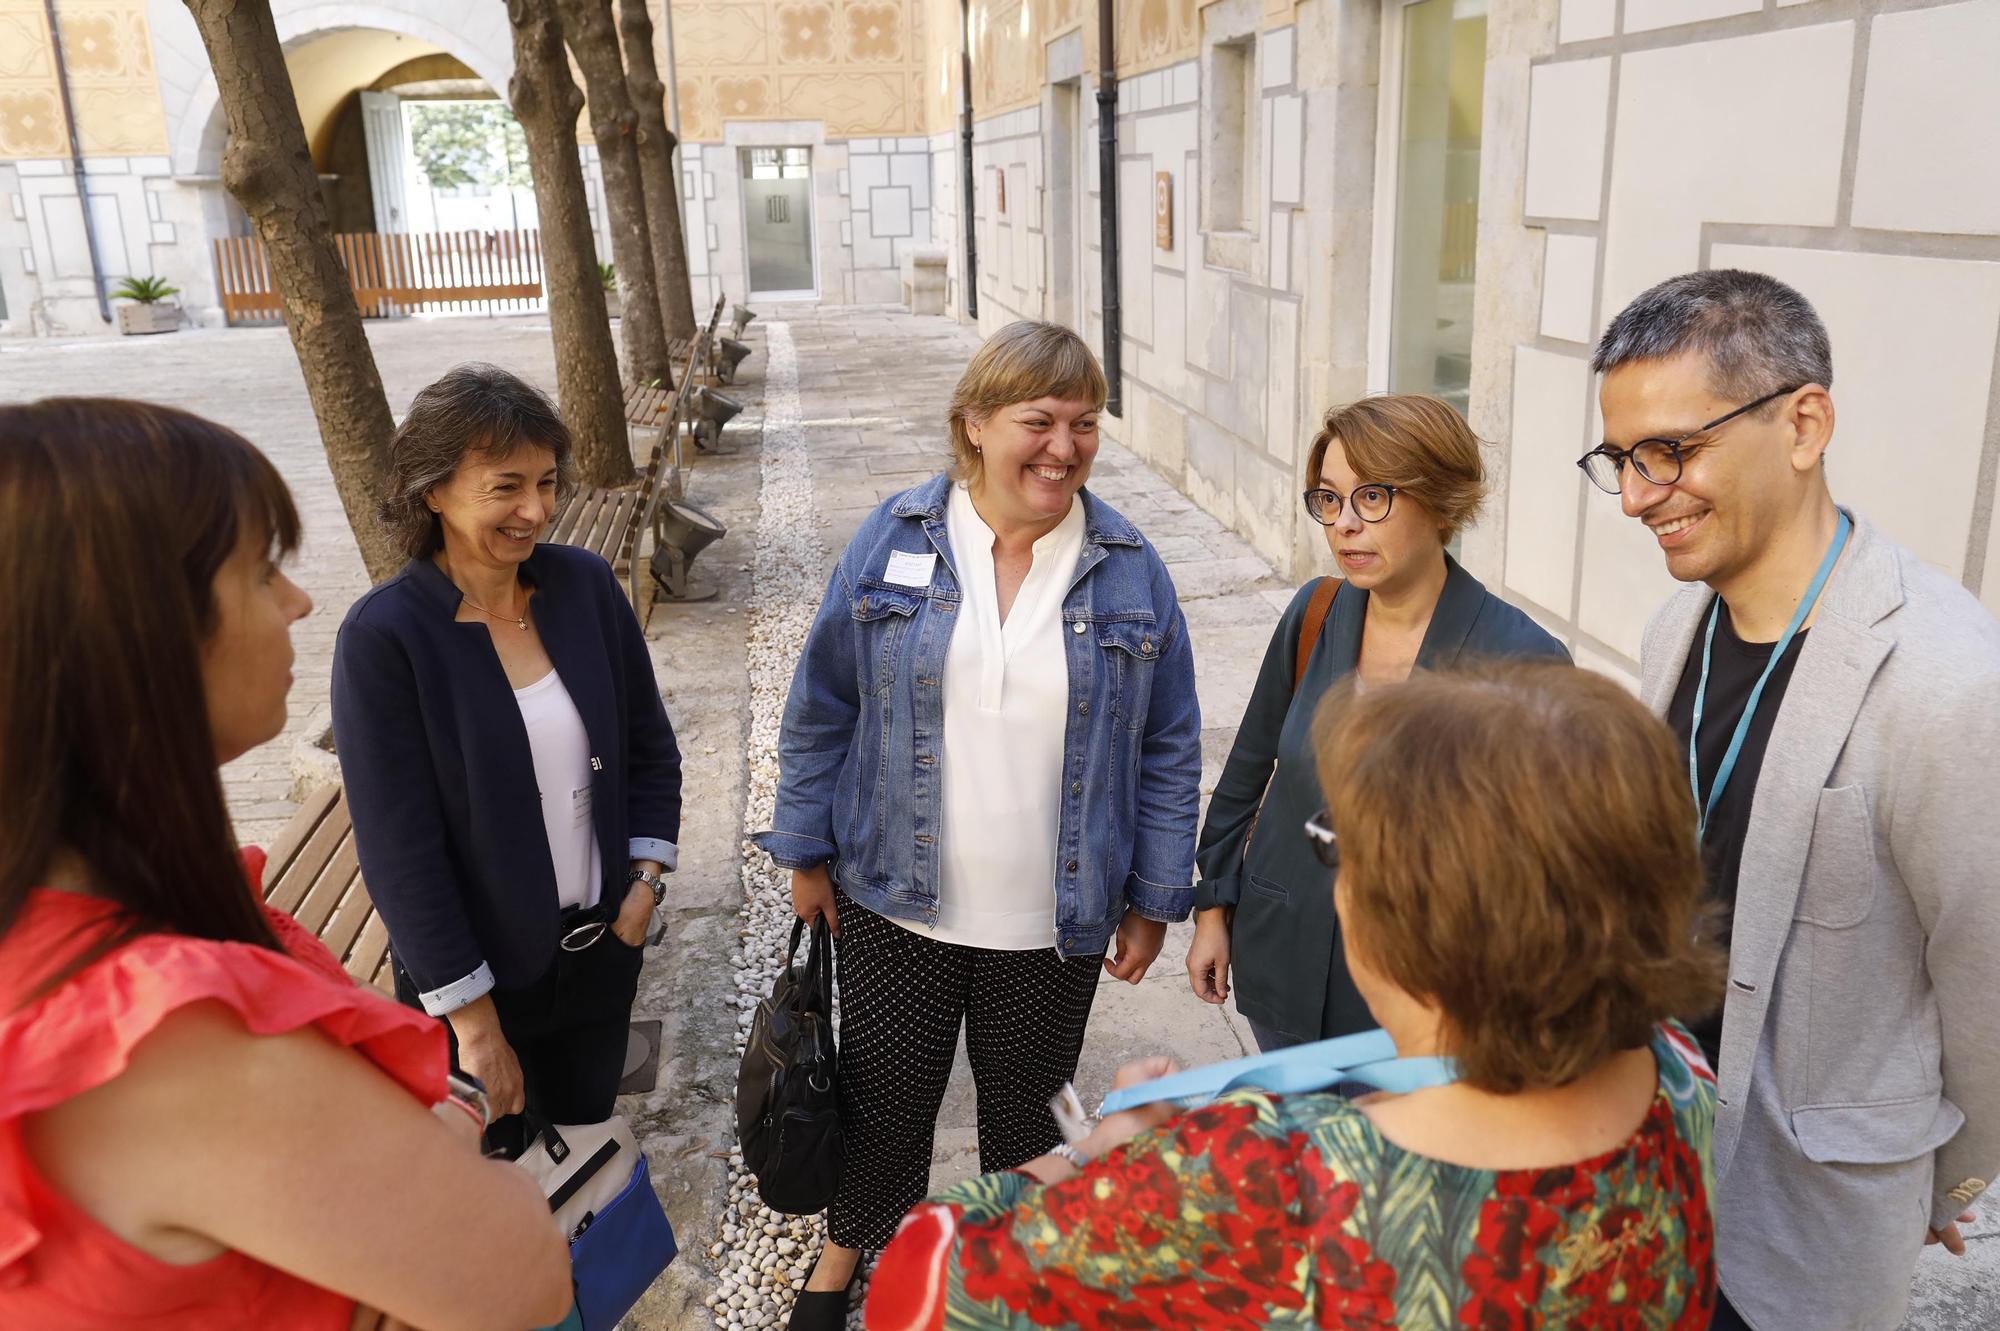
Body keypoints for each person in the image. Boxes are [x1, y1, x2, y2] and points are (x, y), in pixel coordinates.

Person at [866, 662, 1725, 1329]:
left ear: (1419, 914)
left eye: (1340, 847)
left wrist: (1102, 1148)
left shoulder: (1271, 1172)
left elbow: (926, 1282)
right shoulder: (1677, 1073)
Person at [0, 398, 573, 1329]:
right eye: (263, 569)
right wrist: (455, 1111)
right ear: (135, 626)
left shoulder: (72, 907)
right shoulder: (160, 1041)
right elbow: (521, 1274)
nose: (299, 599)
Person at [754, 320, 1202, 1328]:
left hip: (1054, 920)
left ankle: (1009, 1276)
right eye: (1037, 420)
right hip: (894, 902)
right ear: (974, 423)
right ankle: (841, 1262)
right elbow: (822, 702)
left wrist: (1154, 898)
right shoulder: (896, 535)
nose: (1062, 446)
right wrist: (803, 849)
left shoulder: (1127, 563)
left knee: (1024, 1116)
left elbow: (1168, 742)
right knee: (883, 1104)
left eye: (1083, 423)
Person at [1583, 268, 2000, 1331]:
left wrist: (1931, 1180)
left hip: (1804, 1239)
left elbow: (1988, 984)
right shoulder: (1670, 628)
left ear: (1803, 422)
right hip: (1644, 1178)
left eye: (1669, 452)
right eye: (1621, 460)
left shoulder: (1946, 679)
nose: (1634, 497)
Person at [331, 363, 684, 1155]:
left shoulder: (585, 587)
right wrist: (476, 1025)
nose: (535, 510)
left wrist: (644, 888)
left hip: (601, 953)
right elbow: (400, 851)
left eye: (548, 482)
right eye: (505, 487)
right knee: (497, 1206)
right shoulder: (386, 639)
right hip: (477, 988)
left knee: (590, 1176)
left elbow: (650, 748)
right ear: (432, 492)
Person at [1186, 395, 1567, 1051]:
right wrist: (1213, 907)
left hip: (1422, 1001)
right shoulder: (1316, 611)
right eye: (1330, 500)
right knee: (1297, 1150)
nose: (1345, 525)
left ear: (1443, 502)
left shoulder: (1524, 658)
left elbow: (1542, 870)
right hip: (1282, 958)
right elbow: (1247, 769)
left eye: (1373, 497)